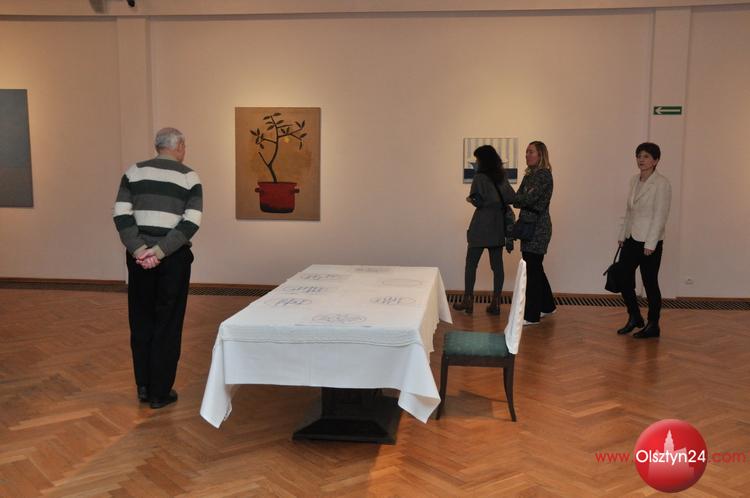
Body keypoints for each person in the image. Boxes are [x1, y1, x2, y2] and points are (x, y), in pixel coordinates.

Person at [113, 127, 203, 408]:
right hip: (173, 258)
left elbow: (121, 214)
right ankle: (160, 392)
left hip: (139, 259)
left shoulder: (134, 172)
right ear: (179, 147)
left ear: (157, 146)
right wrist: (161, 251)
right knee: (168, 322)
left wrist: (140, 250)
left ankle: (143, 386)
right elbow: (191, 222)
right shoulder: (189, 177)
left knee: (140, 319)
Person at [616, 142, 671, 339]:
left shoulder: (662, 183)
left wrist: (651, 244)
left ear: (656, 160)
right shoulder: (634, 180)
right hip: (631, 238)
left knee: (650, 284)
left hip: (649, 242)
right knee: (623, 278)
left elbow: (660, 215)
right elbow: (629, 211)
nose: (641, 159)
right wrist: (622, 235)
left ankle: (653, 324)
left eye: (646, 156)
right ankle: (634, 317)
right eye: (639, 156)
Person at [453, 145, 516, 315]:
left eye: (478, 159)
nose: (476, 162)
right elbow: (511, 197)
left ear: (483, 160)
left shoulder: (479, 178)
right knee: (497, 266)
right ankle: (496, 302)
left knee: (471, 264)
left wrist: (471, 199)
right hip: (497, 225)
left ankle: (468, 300)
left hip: (481, 225)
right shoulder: (502, 177)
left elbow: (478, 201)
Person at [512, 141, 556, 325]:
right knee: (535, 268)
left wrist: (523, 197)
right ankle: (547, 305)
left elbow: (527, 199)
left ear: (540, 155)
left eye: (531, 152)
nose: (527, 155)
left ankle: (532, 315)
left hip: (538, 228)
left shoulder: (543, 175)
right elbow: (517, 199)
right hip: (529, 226)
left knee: (532, 271)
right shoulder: (530, 175)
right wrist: (522, 197)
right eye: (526, 152)